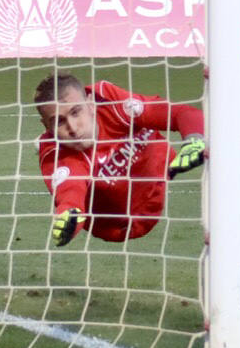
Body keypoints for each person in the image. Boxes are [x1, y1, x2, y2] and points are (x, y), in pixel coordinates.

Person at [34, 73, 206, 246]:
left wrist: (194, 139)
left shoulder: (109, 100)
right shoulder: (55, 154)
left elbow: (180, 113)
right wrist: (70, 219)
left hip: (160, 171)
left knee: (150, 120)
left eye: (76, 112)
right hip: (118, 225)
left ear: (91, 104)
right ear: (47, 127)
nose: (72, 128)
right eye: (59, 122)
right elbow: (71, 193)